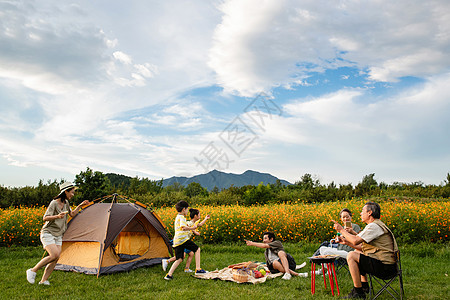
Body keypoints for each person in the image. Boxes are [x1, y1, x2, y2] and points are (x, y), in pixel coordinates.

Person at [26, 182, 90, 285]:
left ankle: (43, 281)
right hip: (48, 233)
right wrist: (57, 216)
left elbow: (72, 214)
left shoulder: (66, 204)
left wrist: (80, 205)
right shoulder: (54, 203)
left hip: (58, 235)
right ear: (66, 191)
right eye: (72, 193)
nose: (73, 195)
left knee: (56, 258)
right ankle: (32, 270)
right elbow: (45, 218)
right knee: (54, 254)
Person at [333, 202, 398, 299]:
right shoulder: (376, 225)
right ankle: (364, 286)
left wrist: (341, 230)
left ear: (369, 213)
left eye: (362, 211)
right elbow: (362, 246)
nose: (360, 213)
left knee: (351, 255)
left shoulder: (374, 226)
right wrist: (347, 243)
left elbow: (355, 241)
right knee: (357, 253)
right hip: (388, 265)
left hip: (385, 268)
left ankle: (358, 292)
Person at [164, 201, 209, 280]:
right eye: (187, 209)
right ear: (184, 209)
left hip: (177, 241)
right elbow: (183, 227)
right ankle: (198, 269)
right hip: (183, 240)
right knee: (197, 249)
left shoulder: (178, 217)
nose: (188, 211)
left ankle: (169, 275)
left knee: (179, 259)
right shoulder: (181, 217)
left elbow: (185, 226)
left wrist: (192, 229)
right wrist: (192, 229)